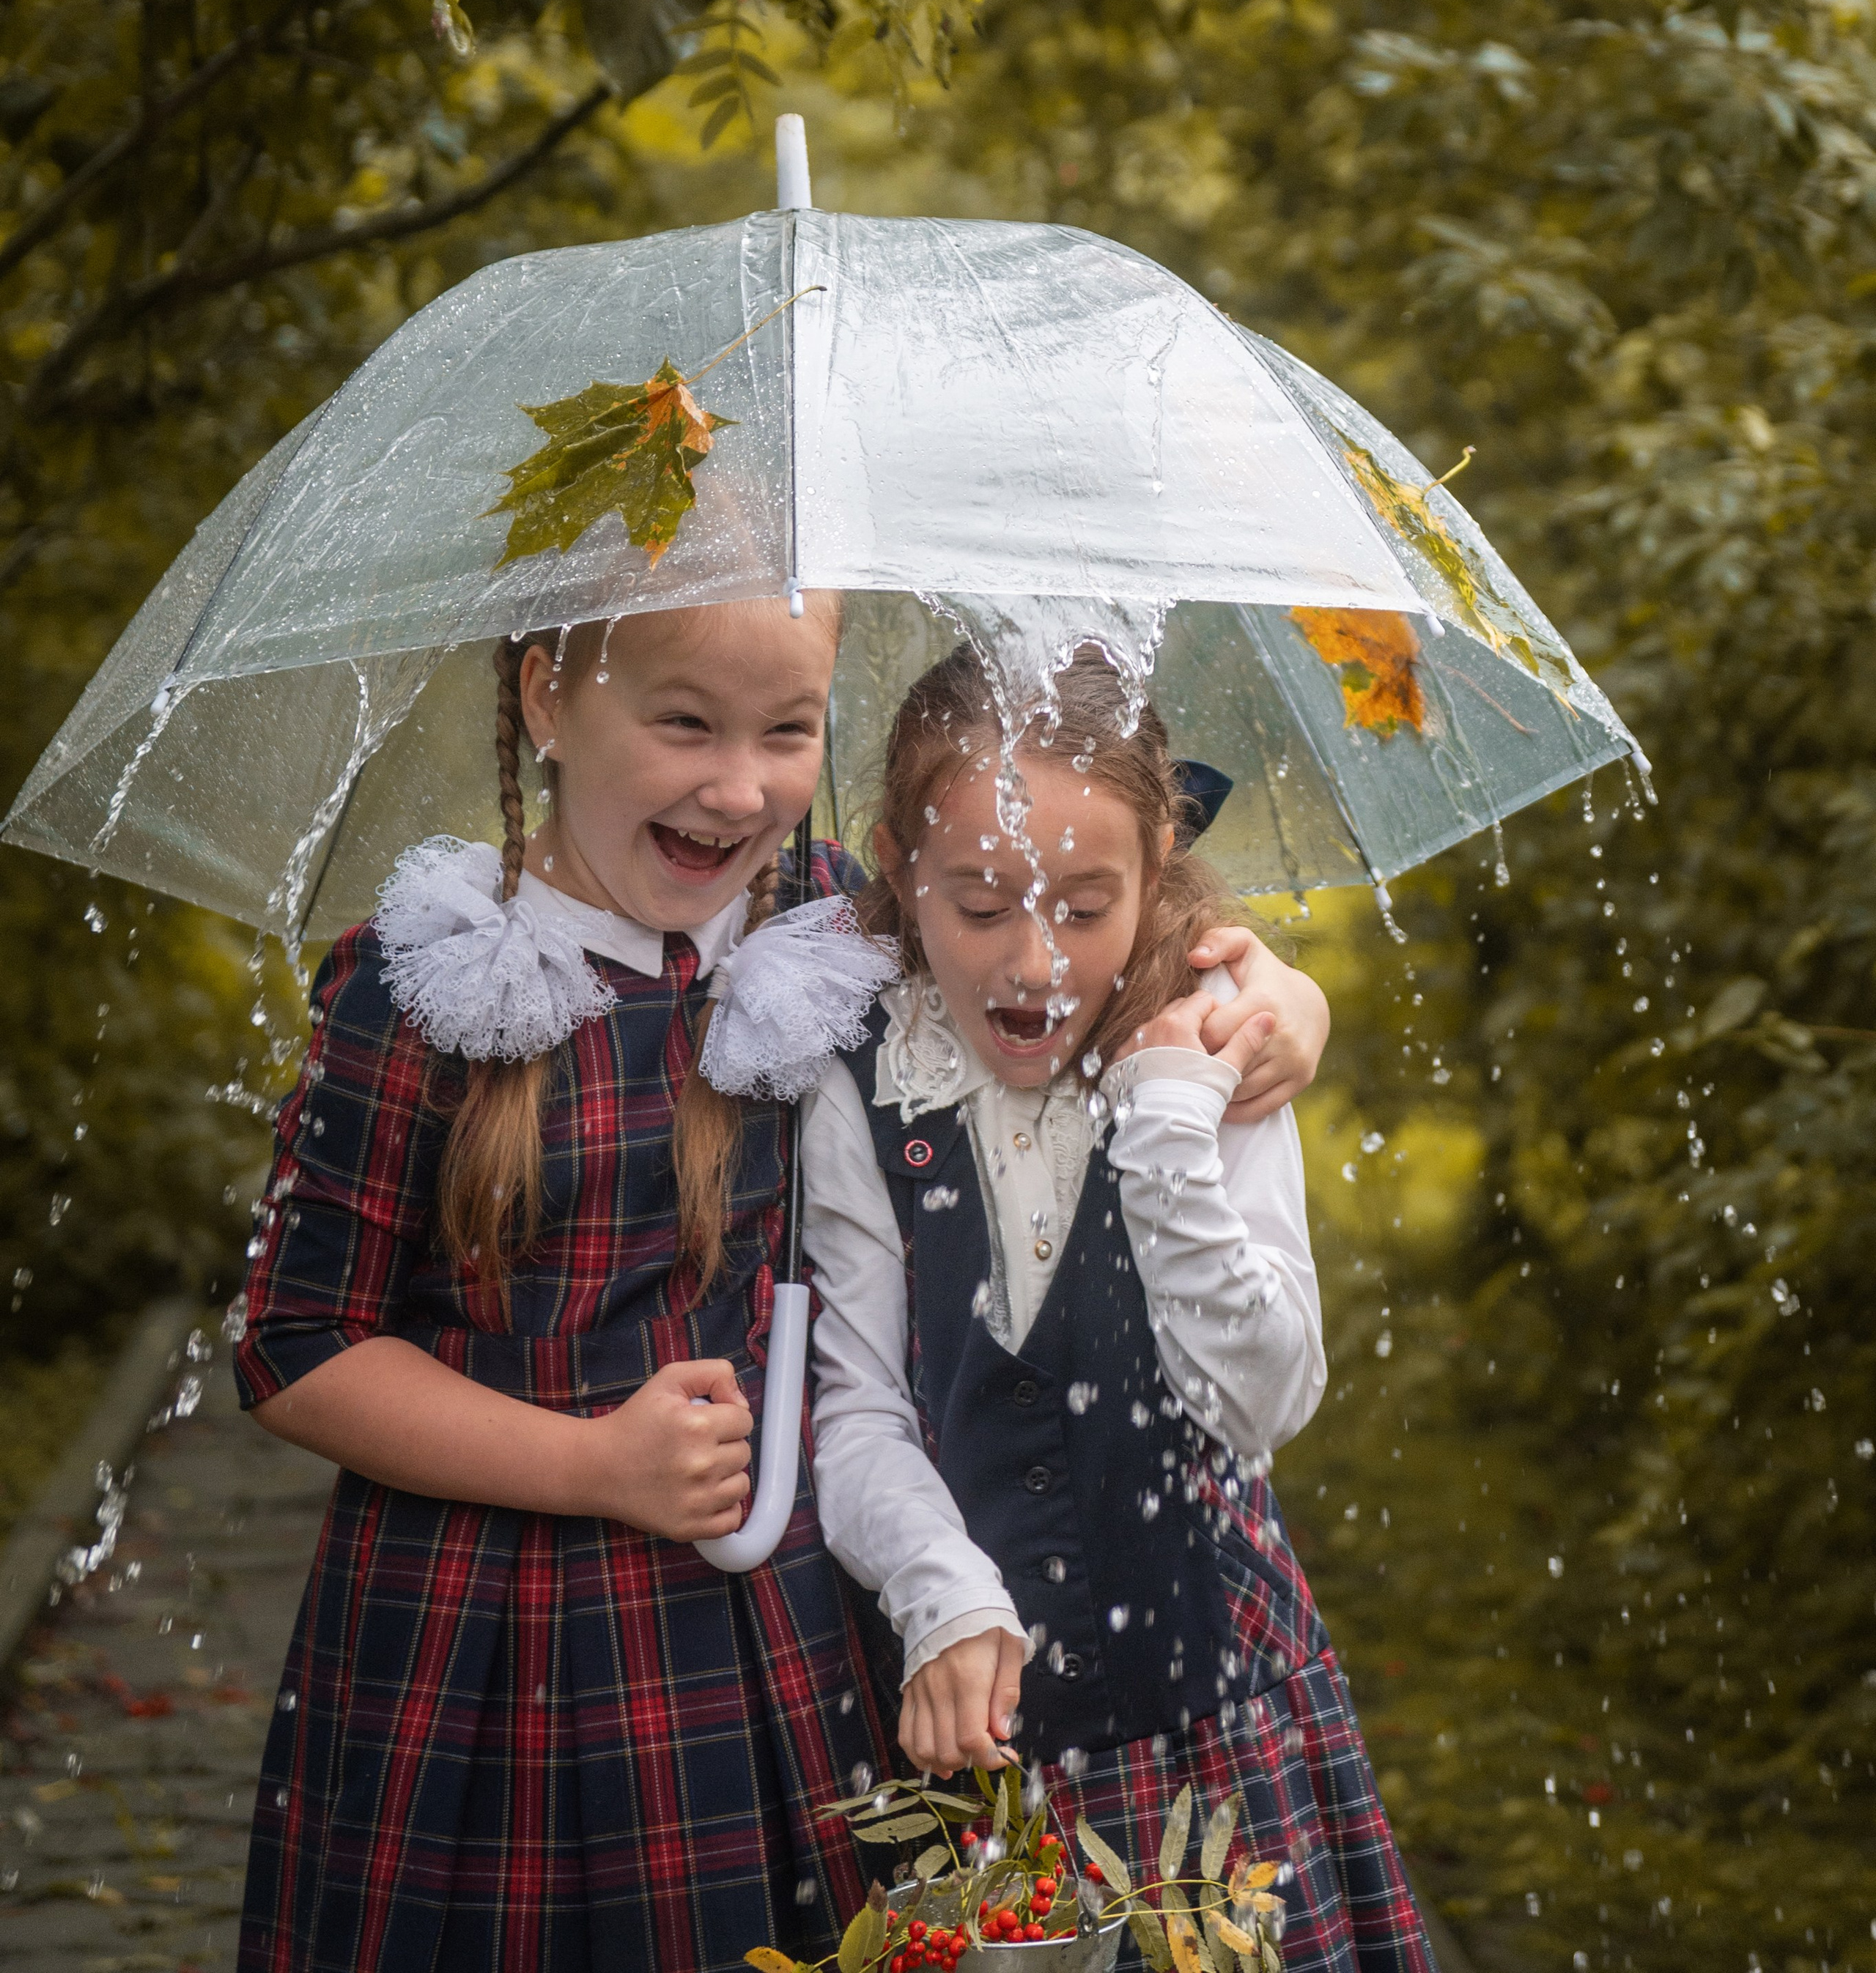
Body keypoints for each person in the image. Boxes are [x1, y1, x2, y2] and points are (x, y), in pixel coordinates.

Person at [231, 599, 890, 1973]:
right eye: (684, 721)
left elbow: (1067, 954)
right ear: (547, 698)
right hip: (481, 1649)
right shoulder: (420, 985)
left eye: (791, 731)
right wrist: (596, 1466)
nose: (740, 786)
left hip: (760, 1624)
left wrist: (1262, 1000)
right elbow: (296, 1346)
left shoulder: (826, 936)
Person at [789, 645, 1436, 1973]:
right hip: (964, 1733)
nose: (1036, 961)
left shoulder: (1209, 1055)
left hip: (1209, 1720)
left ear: (1159, 877)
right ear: (899, 875)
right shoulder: (860, 1085)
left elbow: (1259, 1399)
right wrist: (946, 1595)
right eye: (981, 905)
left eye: (1088, 907)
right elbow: (852, 1407)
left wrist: (1167, 1141)